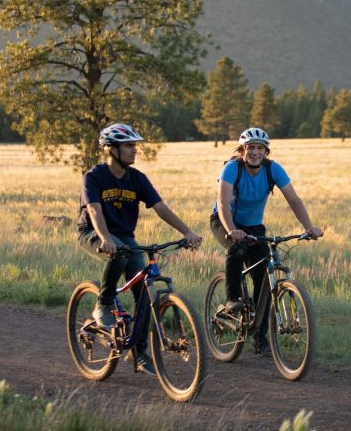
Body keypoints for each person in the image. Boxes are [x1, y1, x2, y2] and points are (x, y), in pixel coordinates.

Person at [78, 122, 202, 375]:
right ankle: (103, 304)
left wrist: (187, 232)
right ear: (111, 149)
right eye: (129, 146)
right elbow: (94, 210)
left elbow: (160, 207)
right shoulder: (94, 177)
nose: (135, 150)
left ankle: (139, 352)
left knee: (144, 291)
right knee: (120, 256)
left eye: (135, 145)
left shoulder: (137, 178)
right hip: (93, 233)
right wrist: (105, 238)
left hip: (124, 236)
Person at [210, 127, 322, 355]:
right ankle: (233, 299)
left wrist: (308, 227)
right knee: (238, 249)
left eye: (260, 148)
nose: (255, 152)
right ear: (243, 150)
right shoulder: (232, 168)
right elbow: (222, 204)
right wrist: (232, 230)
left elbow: (293, 199)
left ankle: (260, 337)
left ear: (266, 152)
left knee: (263, 275)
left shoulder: (273, 170)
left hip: (253, 226)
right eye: (250, 147)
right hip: (225, 221)